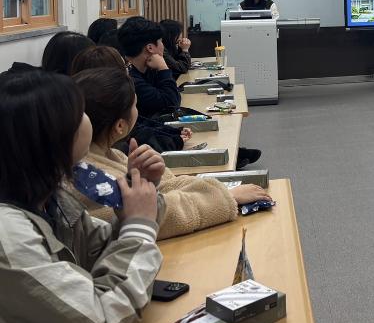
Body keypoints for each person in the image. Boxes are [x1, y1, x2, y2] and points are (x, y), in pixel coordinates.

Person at [0, 68, 163, 323]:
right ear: (51, 136)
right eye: (78, 112)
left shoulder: (49, 198)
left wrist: (138, 195)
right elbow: (100, 318)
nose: (87, 117)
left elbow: (97, 249)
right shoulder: (8, 234)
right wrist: (138, 227)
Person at [70, 68, 272, 239]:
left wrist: (150, 182)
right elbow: (157, 216)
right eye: (135, 105)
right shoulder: (84, 178)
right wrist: (226, 197)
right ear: (120, 126)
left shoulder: (111, 154)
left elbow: (168, 187)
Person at [71, 45, 188, 154]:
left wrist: (172, 133)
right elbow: (170, 102)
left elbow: (141, 125)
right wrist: (172, 141)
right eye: (126, 67)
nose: (129, 71)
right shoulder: (123, 95)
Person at [117, 17, 181, 119]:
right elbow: (172, 105)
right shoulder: (131, 81)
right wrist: (163, 68)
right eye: (161, 41)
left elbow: (175, 96)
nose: (163, 46)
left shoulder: (148, 69)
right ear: (150, 48)